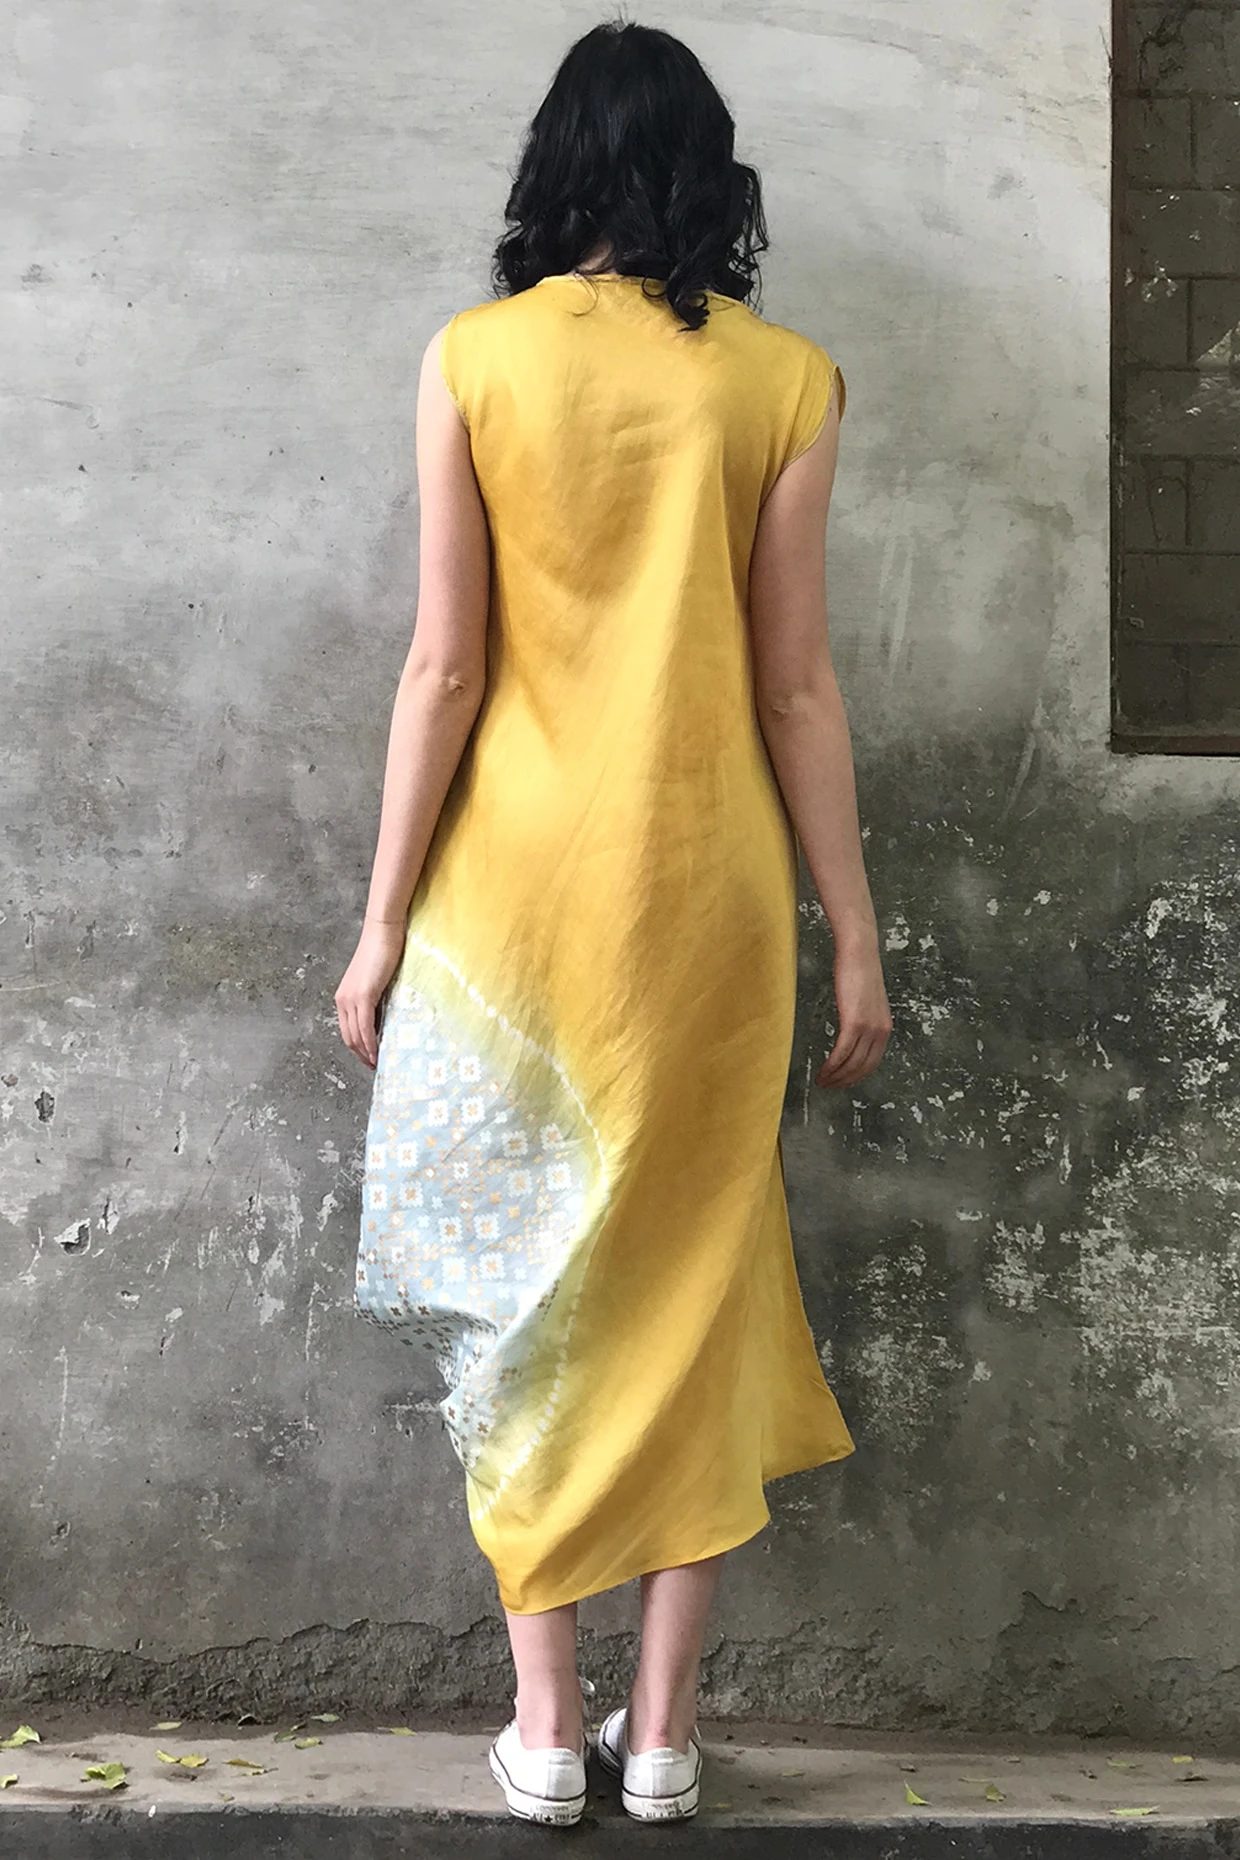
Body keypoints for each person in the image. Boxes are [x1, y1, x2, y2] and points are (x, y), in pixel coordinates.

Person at [335, 18, 891, 1829]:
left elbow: (443, 667)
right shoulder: (786, 382)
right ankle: (662, 1738)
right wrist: (855, 934)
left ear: (556, 166)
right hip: (706, 901)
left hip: (512, 908)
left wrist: (380, 925)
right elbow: (796, 689)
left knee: (527, 1294)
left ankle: (544, 1724)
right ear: (709, 175)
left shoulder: (475, 359)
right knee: (694, 1291)